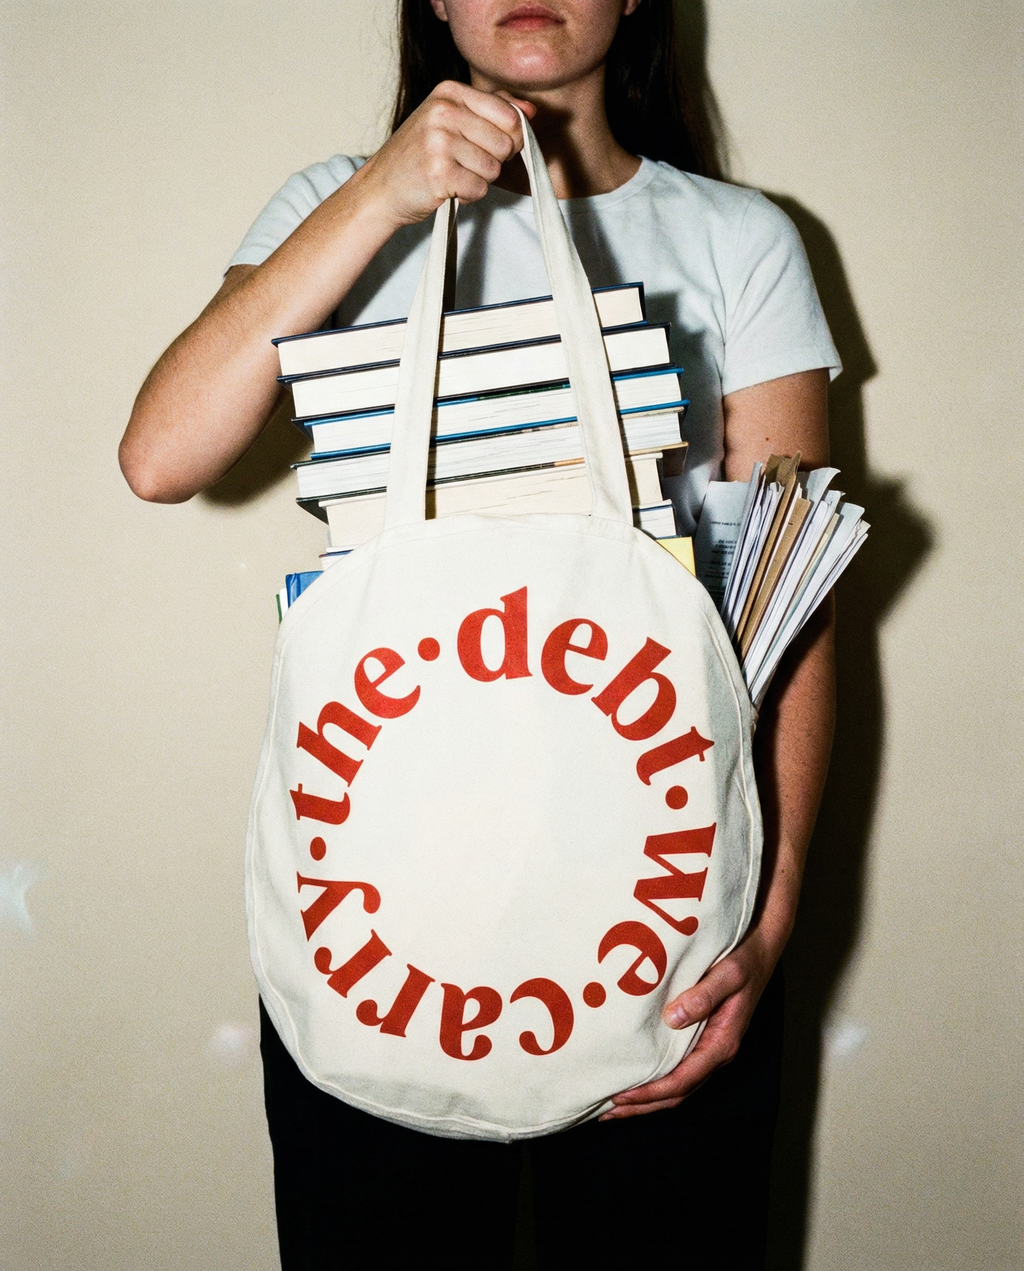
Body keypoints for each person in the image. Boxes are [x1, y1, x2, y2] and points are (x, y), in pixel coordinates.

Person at [120, 1, 840, 1266]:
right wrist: (379, 194)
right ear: (436, 1)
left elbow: (790, 607)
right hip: (385, 912)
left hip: (664, 913)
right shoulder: (335, 202)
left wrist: (767, 929)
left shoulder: (738, 237)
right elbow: (162, 455)